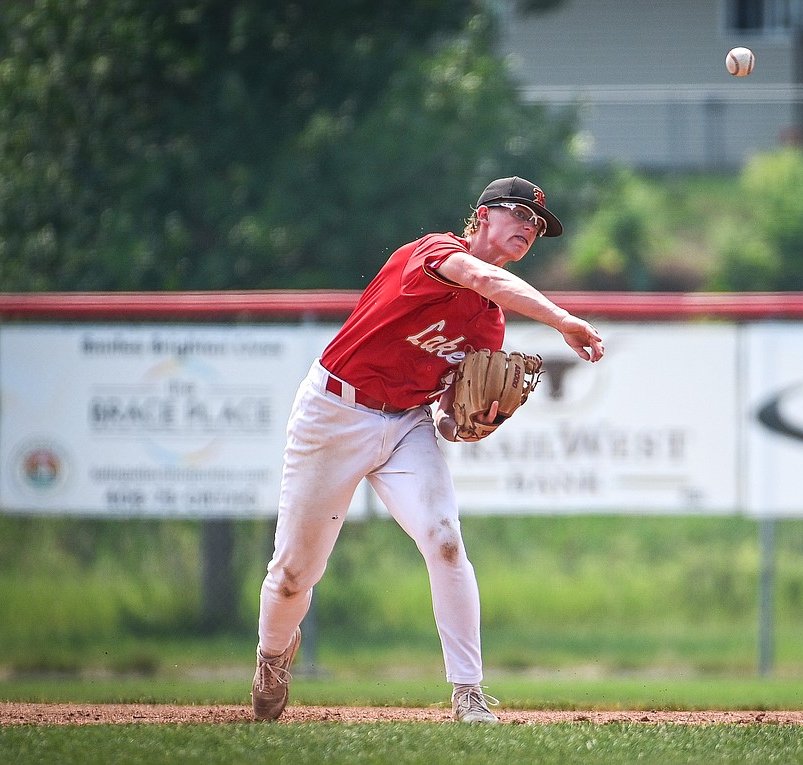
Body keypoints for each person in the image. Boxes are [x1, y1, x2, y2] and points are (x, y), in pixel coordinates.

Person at [250, 176, 604, 724]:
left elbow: (443, 414)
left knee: (444, 540)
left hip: (407, 422)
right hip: (335, 413)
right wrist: (562, 320)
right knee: (296, 571)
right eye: (520, 216)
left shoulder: (489, 323)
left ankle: (468, 693)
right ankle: (273, 656)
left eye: (538, 226)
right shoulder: (435, 253)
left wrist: (465, 423)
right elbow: (481, 276)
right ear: (483, 216)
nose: (530, 229)